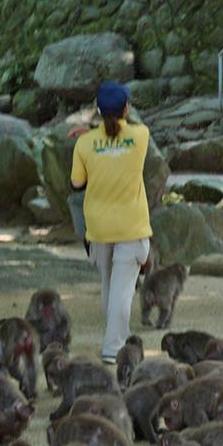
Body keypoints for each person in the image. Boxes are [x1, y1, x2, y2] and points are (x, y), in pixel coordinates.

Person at [70, 80, 152, 368]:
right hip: (131, 224)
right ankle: (114, 347)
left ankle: (116, 338)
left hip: (99, 226)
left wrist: (92, 135)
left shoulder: (84, 143)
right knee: (122, 289)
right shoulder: (141, 136)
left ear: (98, 110)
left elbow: (77, 183)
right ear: (127, 109)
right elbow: (125, 130)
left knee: (109, 286)